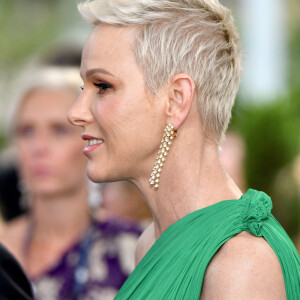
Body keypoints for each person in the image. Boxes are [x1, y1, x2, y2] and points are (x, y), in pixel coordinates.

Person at [68, 0, 300, 299]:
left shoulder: (241, 264)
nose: (75, 112)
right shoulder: (151, 242)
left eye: (102, 86)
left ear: (177, 100)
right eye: (82, 88)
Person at [0, 67, 142, 300]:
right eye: (26, 131)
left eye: (59, 130)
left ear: (92, 138)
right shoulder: (3, 251)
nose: (39, 147)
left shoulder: (136, 250)